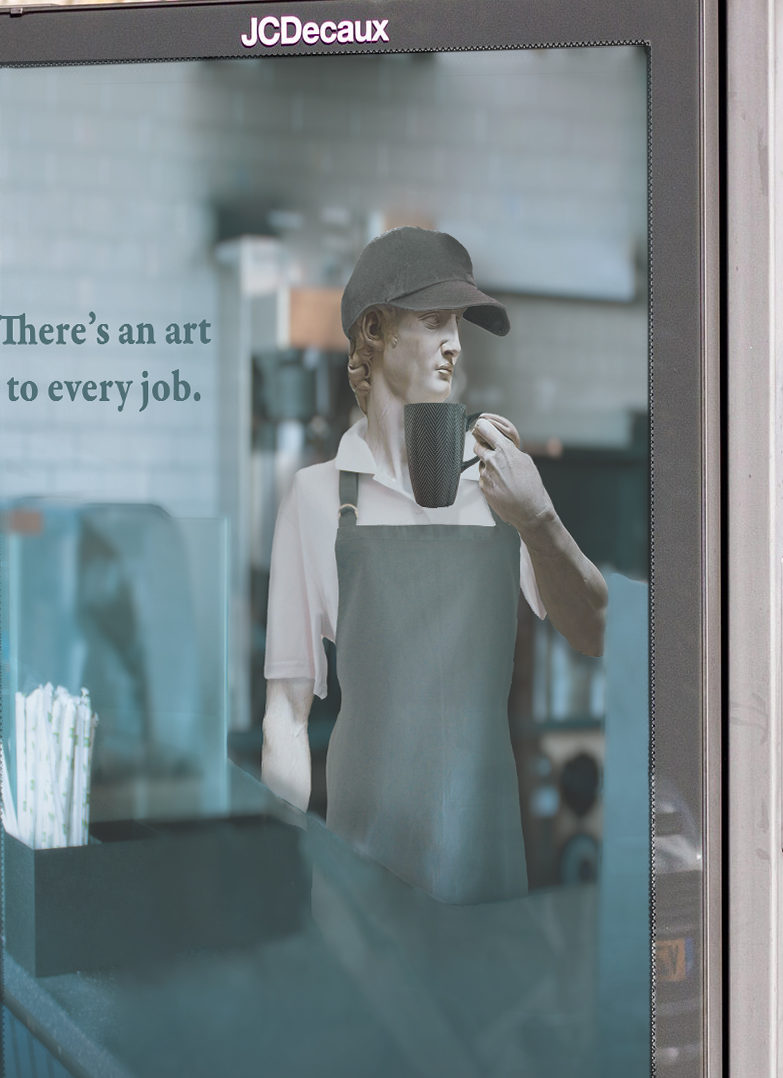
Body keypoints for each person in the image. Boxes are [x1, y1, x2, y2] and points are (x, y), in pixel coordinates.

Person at [259, 228, 607, 905]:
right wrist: (291, 874)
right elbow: (286, 715)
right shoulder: (318, 499)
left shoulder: (501, 487)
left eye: (460, 325)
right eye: (434, 321)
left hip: (487, 884)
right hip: (358, 891)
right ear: (375, 331)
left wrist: (538, 519)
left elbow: (597, 632)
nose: (454, 342)